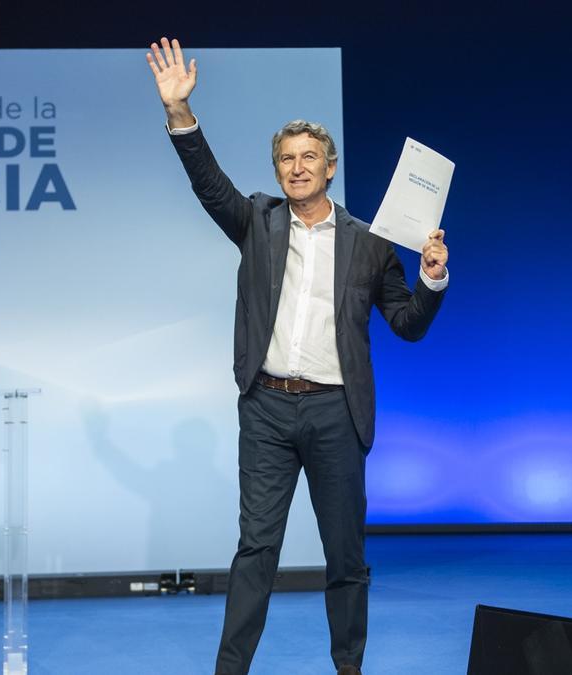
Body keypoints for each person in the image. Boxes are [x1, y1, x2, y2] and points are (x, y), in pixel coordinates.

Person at [145, 37, 449, 675]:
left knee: (346, 557)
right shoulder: (257, 221)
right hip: (267, 409)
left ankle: (348, 667)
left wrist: (431, 278)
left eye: (309, 157)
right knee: (256, 549)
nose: (297, 167)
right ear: (278, 171)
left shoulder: (370, 243)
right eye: (287, 158)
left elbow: (408, 325)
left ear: (330, 167)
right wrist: (179, 112)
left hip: (336, 413)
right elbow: (209, 183)